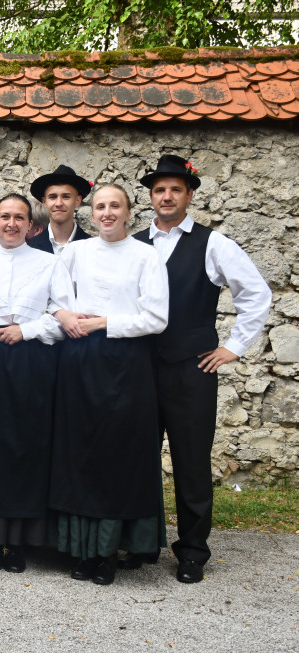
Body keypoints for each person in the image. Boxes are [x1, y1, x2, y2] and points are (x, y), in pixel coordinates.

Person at [133, 155, 272, 583]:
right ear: (151, 197)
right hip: (140, 367)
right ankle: (140, 542)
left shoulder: (213, 244)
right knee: (136, 458)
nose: (167, 196)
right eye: (160, 190)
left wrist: (232, 347)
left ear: (189, 195)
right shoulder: (133, 243)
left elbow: (256, 293)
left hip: (191, 370)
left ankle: (192, 550)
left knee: (191, 461)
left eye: (176, 189)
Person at [48, 184, 170, 585]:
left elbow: (156, 318)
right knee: (79, 450)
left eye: (114, 205)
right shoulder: (75, 252)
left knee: (118, 452)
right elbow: (55, 297)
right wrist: (64, 315)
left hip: (126, 361)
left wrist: (104, 322)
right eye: (100, 206)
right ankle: (81, 550)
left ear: (127, 212)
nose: (106, 213)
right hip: (79, 360)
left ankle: (109, 551)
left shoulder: (145, 255)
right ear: (91, 211)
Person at [0, 194, 73, 573]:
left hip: (31, 360)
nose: (11, 223)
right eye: (5, 216)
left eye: (19, 218)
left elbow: (63, 316)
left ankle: (20, 541)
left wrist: (26, 329)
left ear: (31, 226)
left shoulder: (49, 263)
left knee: (26, 445)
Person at [26, 164, 92, 255]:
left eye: (66, 197)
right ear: (44, 202)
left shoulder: (91, 247)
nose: (59, 203)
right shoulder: (29, 247)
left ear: (77, 201)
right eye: (53, 197)